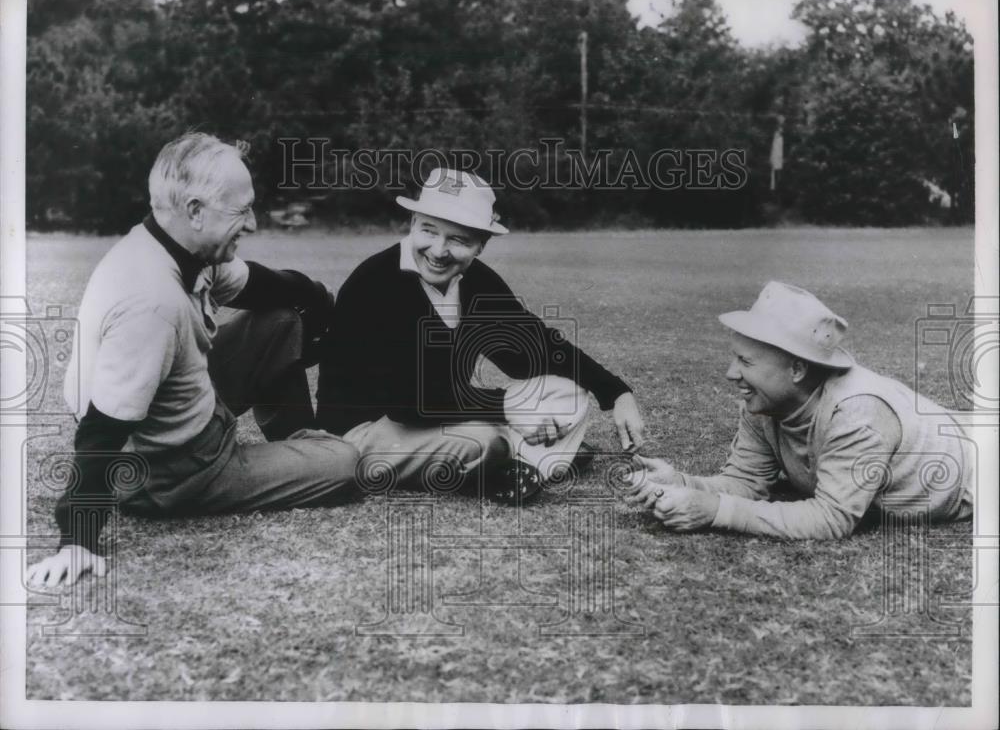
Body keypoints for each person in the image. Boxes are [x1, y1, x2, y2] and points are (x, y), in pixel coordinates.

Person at [27, 133, 360, 588]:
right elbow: (101, 431)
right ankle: (300, 452)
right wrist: (77, 539)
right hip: (169, 472)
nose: (254, 223)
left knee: (281, 319)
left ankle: (294, 441)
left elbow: (263, 285)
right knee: (346, 461)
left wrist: (319, 302)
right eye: (241, 211)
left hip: (183, 416)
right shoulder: (151, 301)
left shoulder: (172, 244)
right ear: (196, 211)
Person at [316, 168, 644, 501]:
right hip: (362, 432)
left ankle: (521, 469)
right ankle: (529, 458)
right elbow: (407, 400)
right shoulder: (374, 282)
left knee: (566, 392)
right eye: (429, 230)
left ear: (481, 245)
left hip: (435, 419)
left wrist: (615, 392)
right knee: (484, 440)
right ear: (412, 223)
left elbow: (535, 347)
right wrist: (508, 409)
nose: (439, 250)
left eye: (459, 239)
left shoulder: (476, 281)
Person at [625, 281, 974, 539]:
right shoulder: (763, 402)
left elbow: (832, 518)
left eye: (745, 360)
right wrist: (682, 483)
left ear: (797, 369)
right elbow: (746, 482)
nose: (731, 373)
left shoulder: (858, 412)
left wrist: (715, 510)